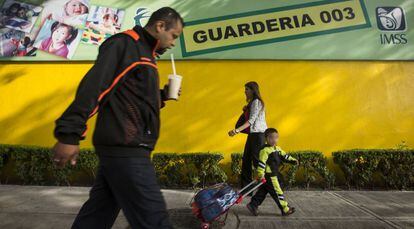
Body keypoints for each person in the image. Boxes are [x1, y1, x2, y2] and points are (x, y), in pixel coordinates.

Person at [52, 7, 184, 229]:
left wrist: (161, 96)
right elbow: (96, 87)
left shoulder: (145, 54)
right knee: (154, 221)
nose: (173, 42)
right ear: (160, 26)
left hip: (124, 149)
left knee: (97, 216)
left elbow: (133, 99)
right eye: (174, 36)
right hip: (127, 150)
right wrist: (69, 133)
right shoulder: (125, 45)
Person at [247, 128, 297, 216]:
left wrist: (293, 160)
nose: (274, 140)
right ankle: (285, 209)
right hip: (270, 175)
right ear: (266, 139)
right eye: (271, 138)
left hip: (274, 174)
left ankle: (253, 204)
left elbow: (285, 156)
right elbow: (261, 163)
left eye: (276, 137)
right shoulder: (265, 150)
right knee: (277, 192)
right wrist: (260, 175)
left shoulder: (277, 148)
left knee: (263, 190)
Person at [228, 81, 267, 190]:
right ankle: (246, 189)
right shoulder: (252, 103)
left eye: (247, 89)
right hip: (253, 135)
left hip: (258, 135)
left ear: (253, 90)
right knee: (246, 160)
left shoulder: (257, 102)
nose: (245, 91)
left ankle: (269, 185)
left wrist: (236, 131)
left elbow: (251, 120)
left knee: (257, 162)